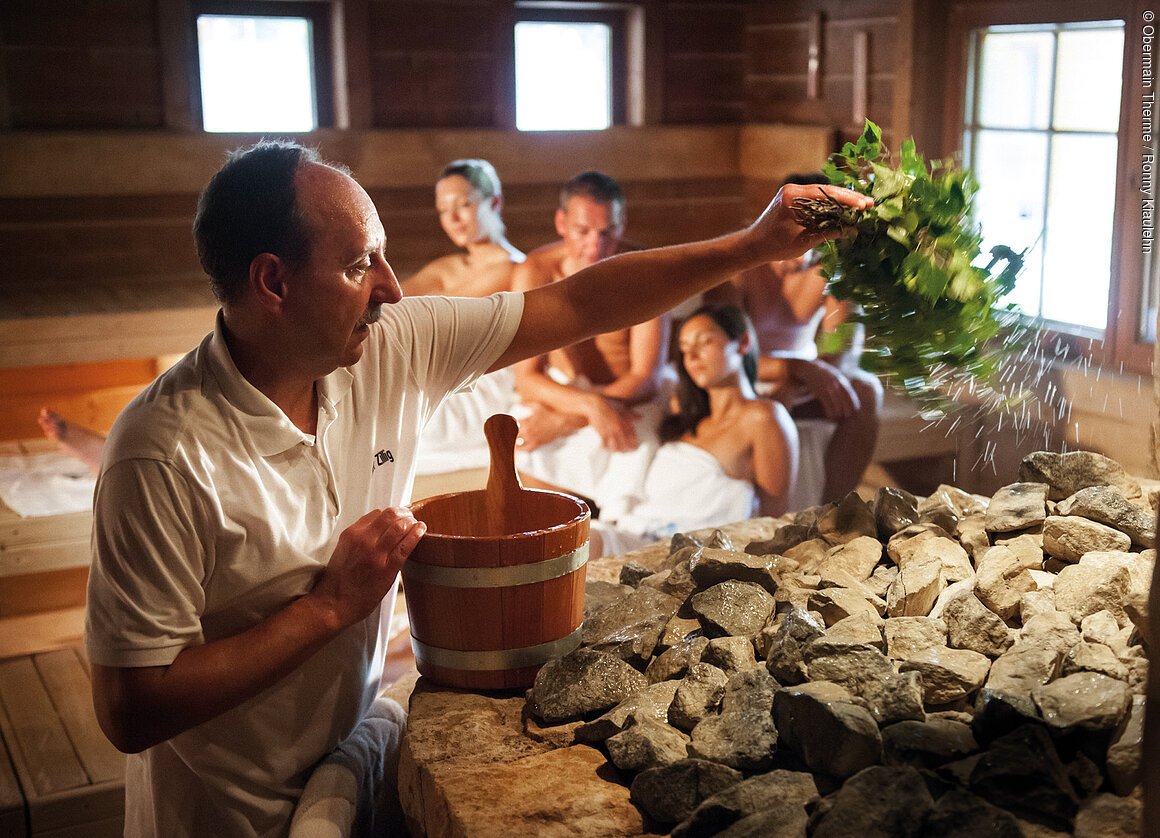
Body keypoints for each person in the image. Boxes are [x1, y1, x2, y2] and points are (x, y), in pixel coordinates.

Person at [84, 138, 869, 835]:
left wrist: (754, 244)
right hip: (226, 813)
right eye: (360, 265)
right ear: (273, 282)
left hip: (355, 764)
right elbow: (130, 707)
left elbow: (580, 301)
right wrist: (330, 607)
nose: (391, 289)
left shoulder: (392, 345)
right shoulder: (162, 454)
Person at [707, 173, 882, 505]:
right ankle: (759, 509)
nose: (804, 252)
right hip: (745, 377)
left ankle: (833, 510)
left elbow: (842, 351)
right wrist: (794, 369)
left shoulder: (831, 269)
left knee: (866, 392)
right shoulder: (741, 264)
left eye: (818, 239)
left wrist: (799, 378)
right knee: (765, 403)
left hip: (803, 380)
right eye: (800, 235)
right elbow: (724, 355)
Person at [511, 171, 670, 519]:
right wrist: (587, 406)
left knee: (633, 446)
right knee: (518, 448)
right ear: (561, 223)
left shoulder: (647, 272)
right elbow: (526, 377)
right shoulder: (537, 272)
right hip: (566, 392)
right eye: (582, 232)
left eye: (607, 233)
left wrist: (573, 418)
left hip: (627, 397)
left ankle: (609, 529)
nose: (595, 247)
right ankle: (569, 529)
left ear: (621, 225)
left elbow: (646, 378)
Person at [592, 304, 798, 556]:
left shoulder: (762, 417)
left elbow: (772, 519)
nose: (691, 356)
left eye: (704, 342)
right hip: (635, 537)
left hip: (694, 554)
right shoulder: (682, 419)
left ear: (743, 343)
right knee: (575, 537)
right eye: (684, 348)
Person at [402, 160, 526, 475]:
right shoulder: (448, 267)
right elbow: (389, 304)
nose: (453, 218)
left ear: (494, 202)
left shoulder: (515, 268)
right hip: (438, 370)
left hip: (481, 380)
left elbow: (436, 318)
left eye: (463, 205)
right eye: (443, 210)